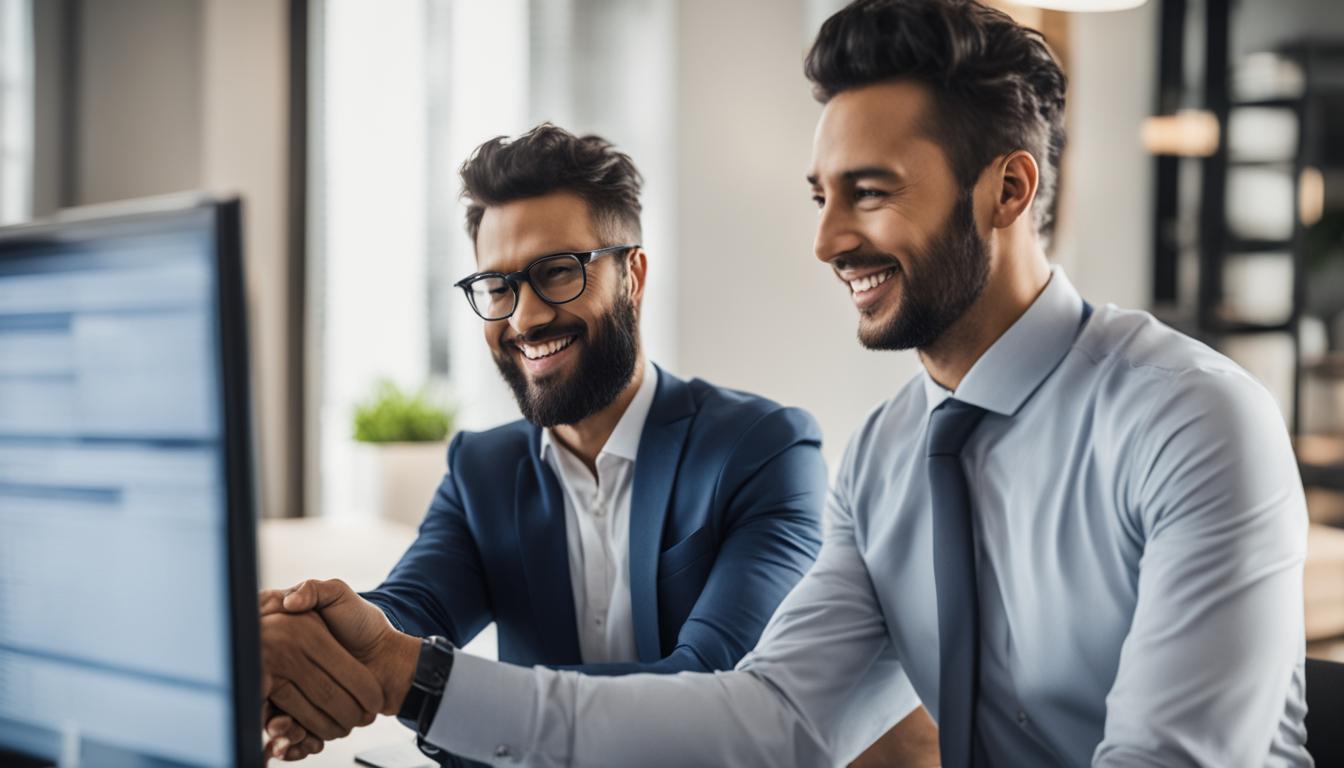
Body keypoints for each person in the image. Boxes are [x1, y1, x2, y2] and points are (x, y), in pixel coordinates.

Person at [265, 1, 1312, 765]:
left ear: (1009, 187)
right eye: (821, 194)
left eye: (870, 194)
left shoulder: (1193, 421)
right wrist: (412, 675)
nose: (824, 240)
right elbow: (766, 719)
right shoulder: (893, 455)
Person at [257, 124, 829, 763]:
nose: (524, 318)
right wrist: (307, 651)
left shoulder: (764, 451)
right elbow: (408, 610)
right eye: (497, 287)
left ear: (632, 275)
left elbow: (715, 688)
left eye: (558, 272)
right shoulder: (483, 467)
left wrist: (414, 678)